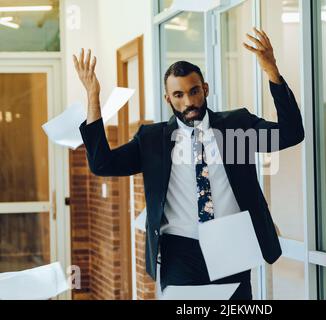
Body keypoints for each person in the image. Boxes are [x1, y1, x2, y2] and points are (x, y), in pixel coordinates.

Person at [74, 28, 304, 300]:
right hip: (179, 250)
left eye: (194, 91)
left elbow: (291, 134)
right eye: (179, 95)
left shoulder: (236, 127)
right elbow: (103, 164)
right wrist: (92, 98)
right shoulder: (151, 140)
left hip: (232, 243)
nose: (189, 101)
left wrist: (272, 72)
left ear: (205, 89)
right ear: (168, 99)